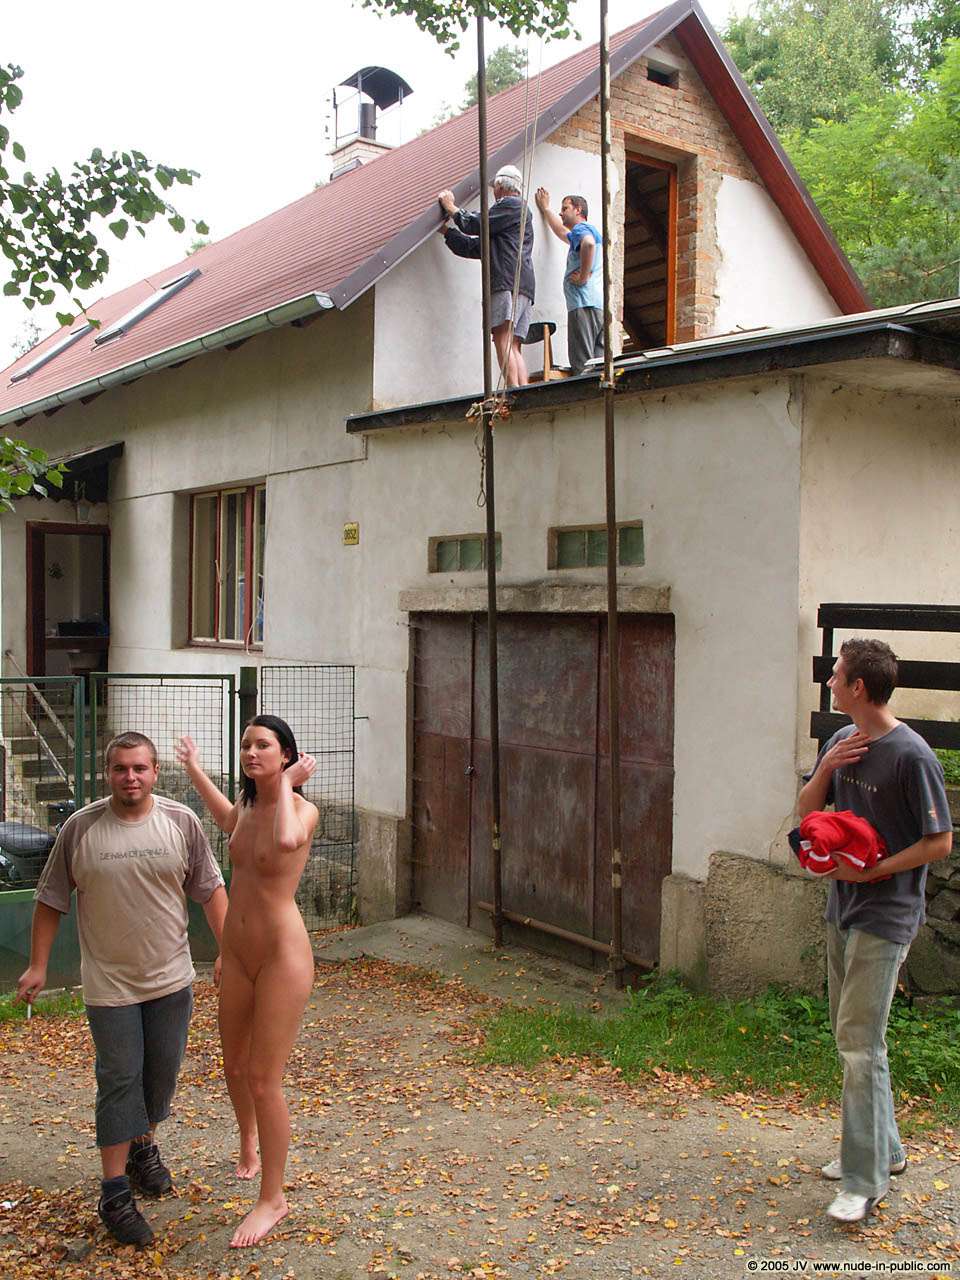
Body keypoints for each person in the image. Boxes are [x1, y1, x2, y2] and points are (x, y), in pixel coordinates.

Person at [16, 732, 227, 1248]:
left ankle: (141, 1146)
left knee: (160, 1079)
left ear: (154, 772)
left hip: (171, 980)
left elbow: (211, 890)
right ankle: (114, 1194)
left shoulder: (181, 822)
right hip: (109, 985)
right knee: (119, 1079)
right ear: (107, 773)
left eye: (139, 768)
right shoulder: (80, 828)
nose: (130, 777)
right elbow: (50, 898)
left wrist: (230, 951)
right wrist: (38, 965)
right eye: (120, 768)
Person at [797, 638, 952, 1223]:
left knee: (859, 1044)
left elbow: (940, 842)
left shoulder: (913, 756)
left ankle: (863, 1182)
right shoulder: (841, 740)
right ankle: (886, 1150)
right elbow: (807, 812)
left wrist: (875, 870)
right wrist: (827, 768)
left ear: (857, 687)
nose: (830, 682)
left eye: (836, 674)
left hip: (887, 916)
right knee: (858, 1038)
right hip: (843, 908)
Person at [175, 716, 318, 1249]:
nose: (251, 752)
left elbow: (285, 840)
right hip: (236, 953)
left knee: (263, 1079)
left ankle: (272, 1198)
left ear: (286, 755)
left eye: (263, 745)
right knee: (232, 1065)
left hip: (282, 955)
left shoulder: (301, 809)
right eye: (245, 745)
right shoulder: (248, 804)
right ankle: (248, 1139)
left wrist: (288, 785)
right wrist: (194, 769)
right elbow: (228, 821)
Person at [438, 163, 535, 388]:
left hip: (505, 281)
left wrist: (451, 207)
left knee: (502, 337)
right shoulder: (511, 218)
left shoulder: (510, 205)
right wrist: (447, 232)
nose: (493, 192)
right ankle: (522, 391)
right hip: (522, 284)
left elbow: (476, 224)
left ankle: (513, 391)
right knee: (513, 343)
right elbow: (475, 247)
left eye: (494, 188)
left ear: (500, 186)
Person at [534, 188, 604, 376]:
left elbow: (588, 243)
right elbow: (561, 231)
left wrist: (582, 277)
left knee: (583, 365)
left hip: (582, 304)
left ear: (578, 210)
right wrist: (546, 209)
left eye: (565, 208)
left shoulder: (582, 229)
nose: (561, 212)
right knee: (598, 366)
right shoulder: (585, 233)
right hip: (597, 306)